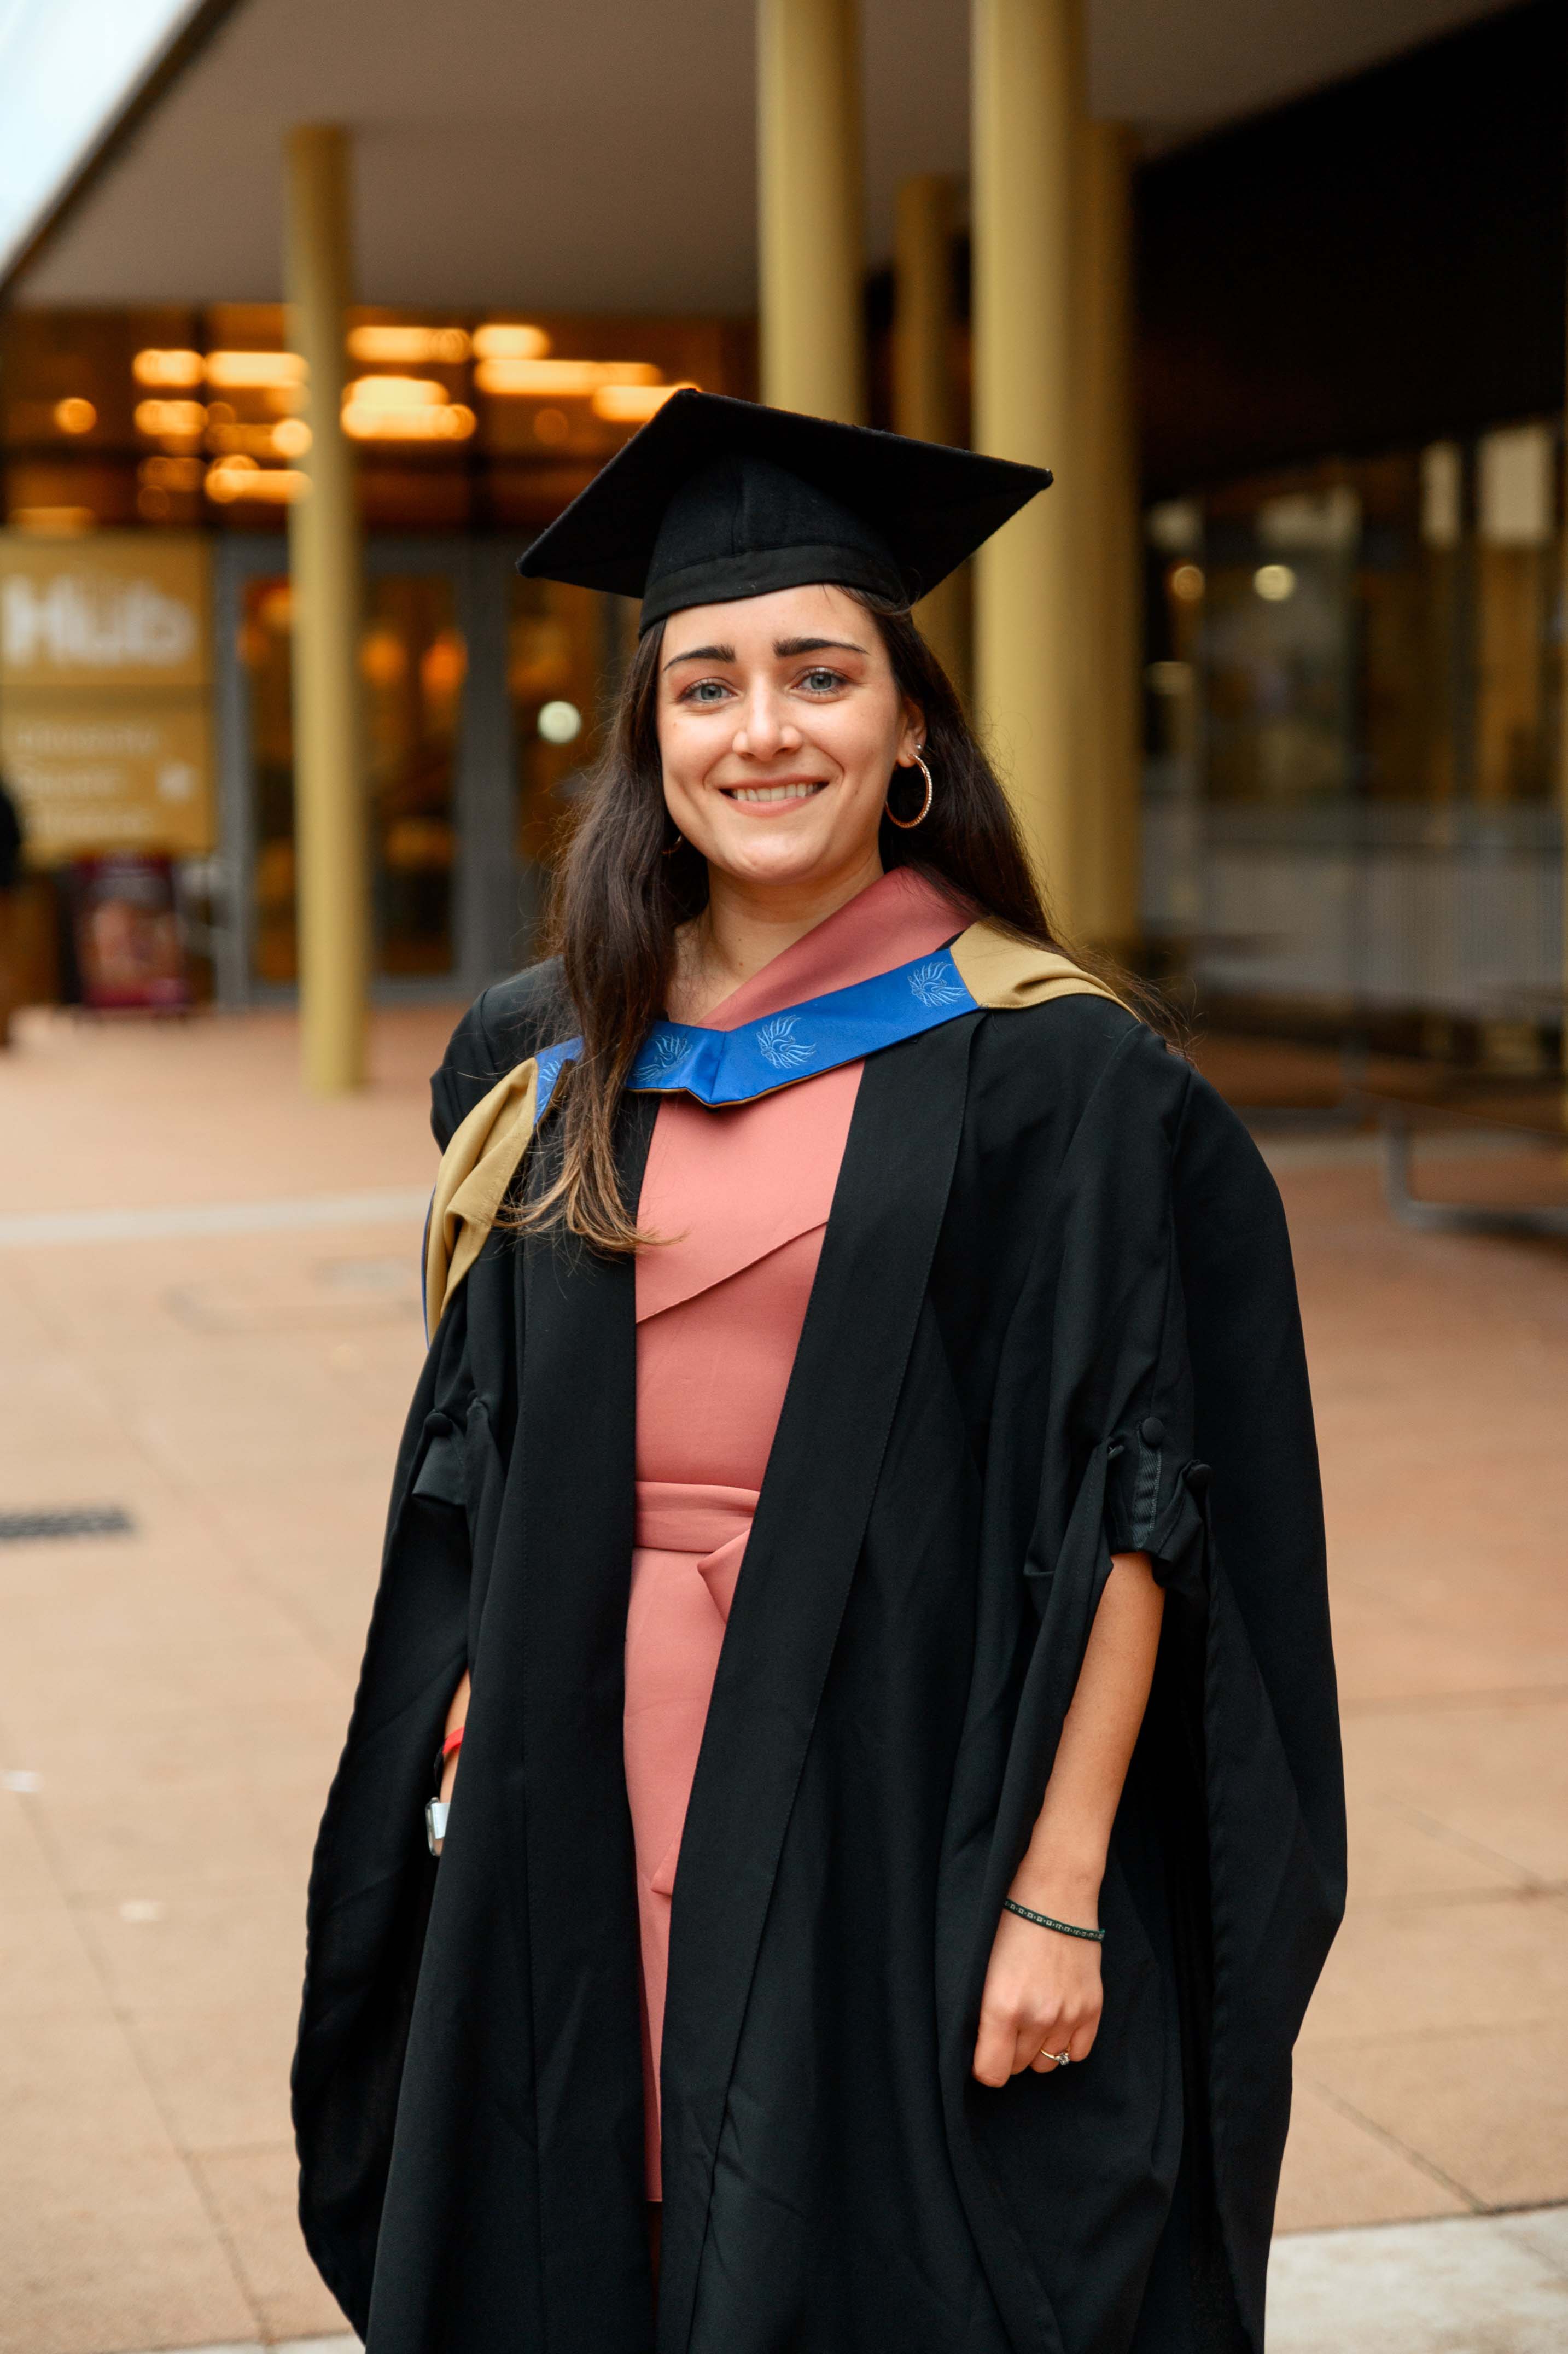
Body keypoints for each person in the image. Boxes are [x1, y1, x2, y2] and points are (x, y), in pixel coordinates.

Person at [293, 392, 1343, 2354]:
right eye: (705, 685)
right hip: (568, 1761)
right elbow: (476, 1444)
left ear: (910, 731)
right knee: (577, 2222)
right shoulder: (536, 1058)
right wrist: (460, 1738)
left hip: (892, 1761)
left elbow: (1137, 1499)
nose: (760, 729)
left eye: (817, 674)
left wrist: (1055, 1888)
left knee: (857, 2246)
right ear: (650, 740)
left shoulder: (1057, 1072)